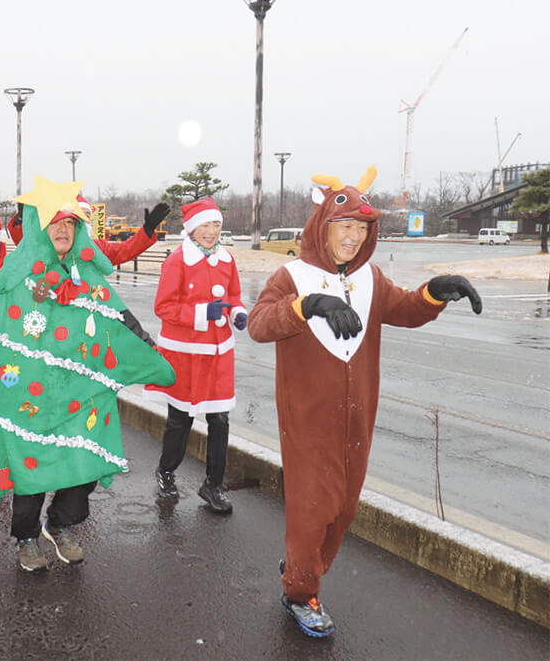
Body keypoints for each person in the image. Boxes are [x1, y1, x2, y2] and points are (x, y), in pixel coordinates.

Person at [247, 166, 483, 637]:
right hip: (309, 421)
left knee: (342, 509)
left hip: (358, 422)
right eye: (344, 226)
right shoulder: (291, 275)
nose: (353, 237)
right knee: (313, 509)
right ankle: (300, 592)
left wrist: (437, 291)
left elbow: (405, 308)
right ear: (323, 227)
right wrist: (307, 305)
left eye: (361, 228)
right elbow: (258, 324)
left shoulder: (371, 278)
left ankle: (302, 562)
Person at [0, 177, 173, 572]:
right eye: (55, 223)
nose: (62, 230)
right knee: (30, 471)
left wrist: (150, 349)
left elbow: (121, 319)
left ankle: (61, 524)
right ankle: (26, 536)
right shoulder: (14, 279)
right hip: (28, 399)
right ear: (40, 228)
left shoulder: (86, 277)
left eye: (70, 224)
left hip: (78, 396)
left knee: (80, 467)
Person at [143, 197, 247, 514]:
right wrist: (203, 312)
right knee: (180, 420)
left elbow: (233, 296)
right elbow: (164, 307)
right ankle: (166, 471)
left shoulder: (227, 259)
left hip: (218, 353)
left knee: (220, 419)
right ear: (191, 229)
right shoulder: (177, 260)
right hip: (185, 354)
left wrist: (237, 313)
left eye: (216, 224)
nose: (211, 231)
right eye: (205, 225)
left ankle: (212, 485)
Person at [6, 193, 169, 266]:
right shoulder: (50, 244)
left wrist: (147, 230)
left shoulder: (96, 248)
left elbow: (125, 250)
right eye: (79, 215)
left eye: (87, 216)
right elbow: (27, 243)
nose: (84, 220)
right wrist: (23, 221)